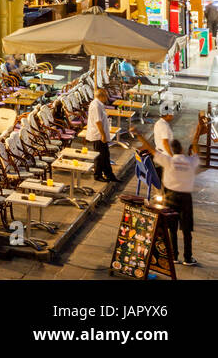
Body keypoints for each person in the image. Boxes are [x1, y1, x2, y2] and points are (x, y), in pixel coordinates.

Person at [133, 112, 207, 266]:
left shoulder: (168, 161)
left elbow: (151, 149)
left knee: (172, 228)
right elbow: (195, 148)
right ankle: (188, 257)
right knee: (186, 230)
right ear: (182, 150)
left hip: (171, 197)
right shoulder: (189, 161)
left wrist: (139, 134)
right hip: (186, 199)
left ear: (172, 150)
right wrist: (198, 131)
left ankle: (174, 255)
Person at [86, 88, 118, 183]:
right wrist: (103, 135)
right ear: (101, 96)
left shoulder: (100, 104)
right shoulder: (96, 105)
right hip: (98, 135)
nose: (107, 97)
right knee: (99, 156)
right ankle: (98, 174)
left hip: (101, 134)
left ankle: (109, 174)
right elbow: (98, 122)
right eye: (106, 95)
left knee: (105, 155)